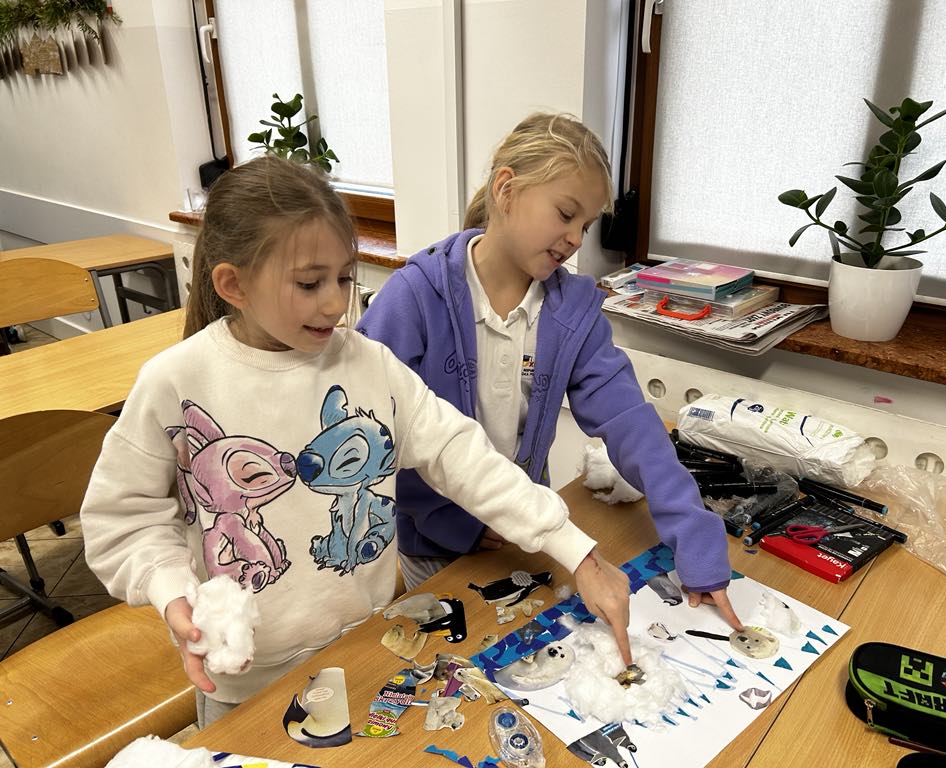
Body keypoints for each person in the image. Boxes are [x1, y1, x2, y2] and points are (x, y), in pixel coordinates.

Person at [80, 154, 631, 729]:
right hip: (243, 681)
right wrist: (171, 589)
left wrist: (575, 549)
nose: (333, 302)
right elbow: (123, 518)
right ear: (233, 284)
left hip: (362, 652)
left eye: (344, 278)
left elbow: (461, 455)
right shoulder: (175, 381)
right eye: (309, 283)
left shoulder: (370, 365)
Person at [358, 113, 742, 630]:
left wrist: (695, 537)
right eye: (565, 214)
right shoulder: (413, 298)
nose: (575, 238)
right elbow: (369, 434)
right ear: (506, 189)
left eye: (585, 226)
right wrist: (447, 519)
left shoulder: (571, 312)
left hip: (525, 537)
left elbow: (633, 425)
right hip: (435, 546)